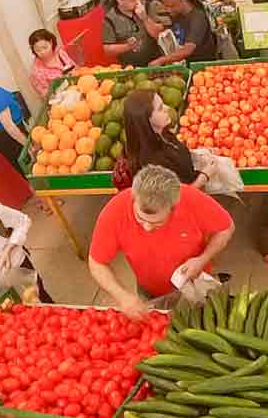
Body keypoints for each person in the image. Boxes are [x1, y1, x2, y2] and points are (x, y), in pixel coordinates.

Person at [89, 166, 236, 319]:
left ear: (173, 207)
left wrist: (202, 259)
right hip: (149, 292)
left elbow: (226, 228)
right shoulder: (114, 212)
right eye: (140, 219)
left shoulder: (191, 198)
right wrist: (122, 296)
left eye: (157, 223)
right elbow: (96, 263)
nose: (147, 227)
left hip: (196, 284)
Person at [123, 89, 209, 188]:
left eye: (163, 104)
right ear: (146, 120)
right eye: (160, 108)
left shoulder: (162, 133)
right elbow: (178, 196)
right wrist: (205, 175)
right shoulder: (153, 164)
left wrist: (198, 154)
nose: (167, 108)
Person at [152, 0, 219, 65]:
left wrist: (161, 60)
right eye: (166, 6)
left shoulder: (197, 18)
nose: (168, 10)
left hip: (200, 66)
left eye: (172, 6)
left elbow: (188, 49)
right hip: (182, 64)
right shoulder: (176, 14)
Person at [103, 0, 162, 66]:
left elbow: (158, 35)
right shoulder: (110, 19)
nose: (137, 2)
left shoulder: (146, 6)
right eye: (132, 0)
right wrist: (128, 46)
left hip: (156, 61)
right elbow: (107, 50)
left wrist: (145, 18)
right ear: (120, 1)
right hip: (132, 66)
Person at [27, 29, 76, 99]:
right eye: (38, 50)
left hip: (76, 87)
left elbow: (75, 68)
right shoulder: (36, 71)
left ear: (51, 42)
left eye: (45, 47)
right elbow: (46, 95)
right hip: (62, 100)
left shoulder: (60, 52)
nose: (42, 52)